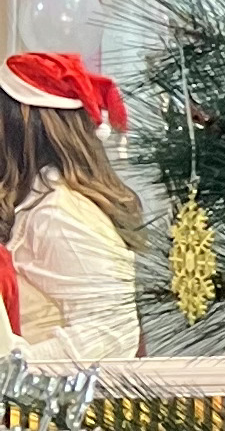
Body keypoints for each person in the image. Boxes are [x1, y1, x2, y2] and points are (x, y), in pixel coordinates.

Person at [0, 49, 141, 365]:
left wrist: (14, 370)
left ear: (22, 125)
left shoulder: (61, 213)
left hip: (46, 396)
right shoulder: (38, 203)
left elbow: (111, 334)